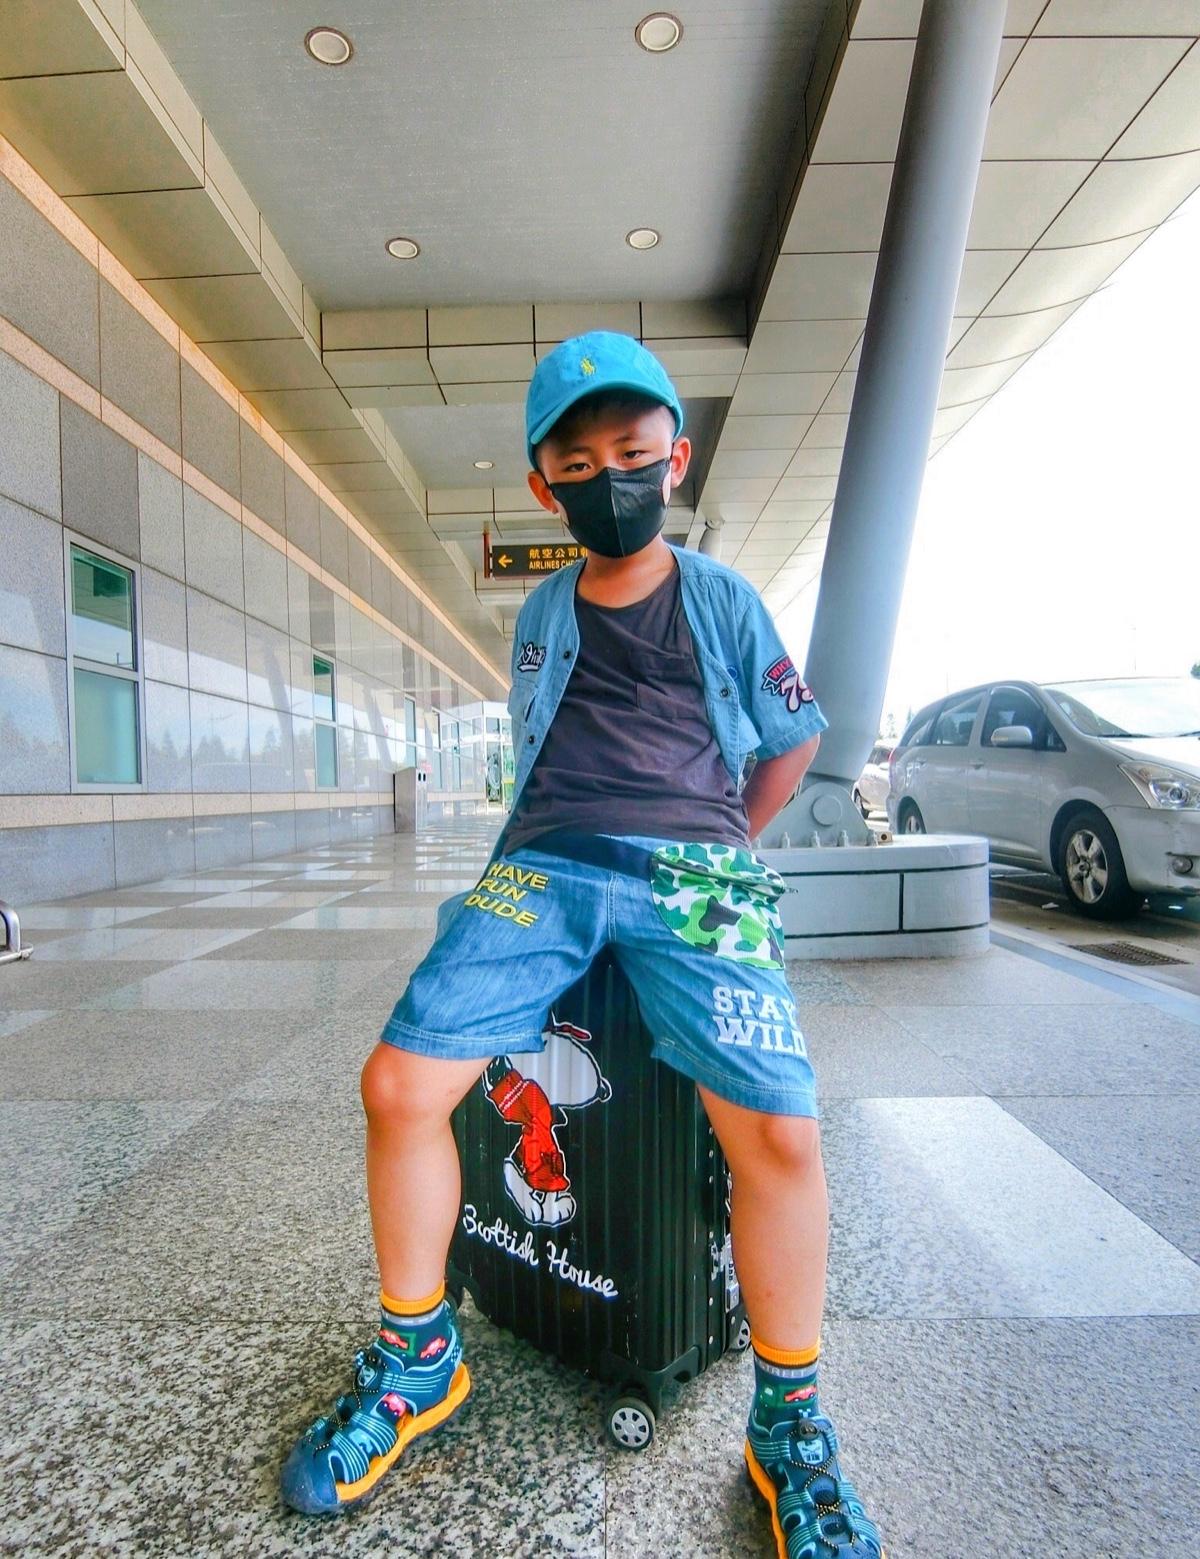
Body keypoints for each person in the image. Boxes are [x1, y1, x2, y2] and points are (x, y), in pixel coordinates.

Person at [280, 332, 886, 1559]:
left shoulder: (721, 596)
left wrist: (728, 841)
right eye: (578, 460)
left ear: (676, 456)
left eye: (632, 449)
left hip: (698, 869)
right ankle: (418, 1356)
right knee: (399, 1084)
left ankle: (789, 1419)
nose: (610, 474)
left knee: (779, 1128)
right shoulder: (545, 609)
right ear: (542, 483)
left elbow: (792, 737)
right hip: (546, 865)